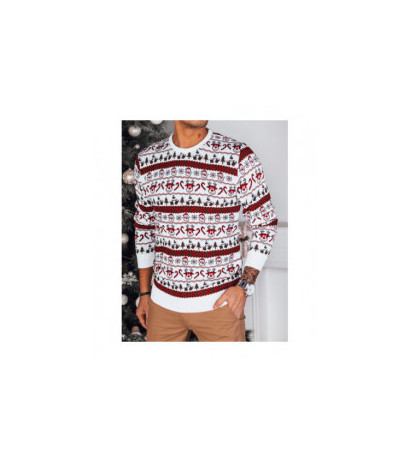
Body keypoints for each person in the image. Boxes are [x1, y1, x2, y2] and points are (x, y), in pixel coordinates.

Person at [134, 120, 278, 341]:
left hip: (219, 305)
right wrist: (145, 293)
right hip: (161, 306)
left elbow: (265, 222)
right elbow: (144, 227)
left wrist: (244, 286)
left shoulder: (238, 156)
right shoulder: (147, 160)